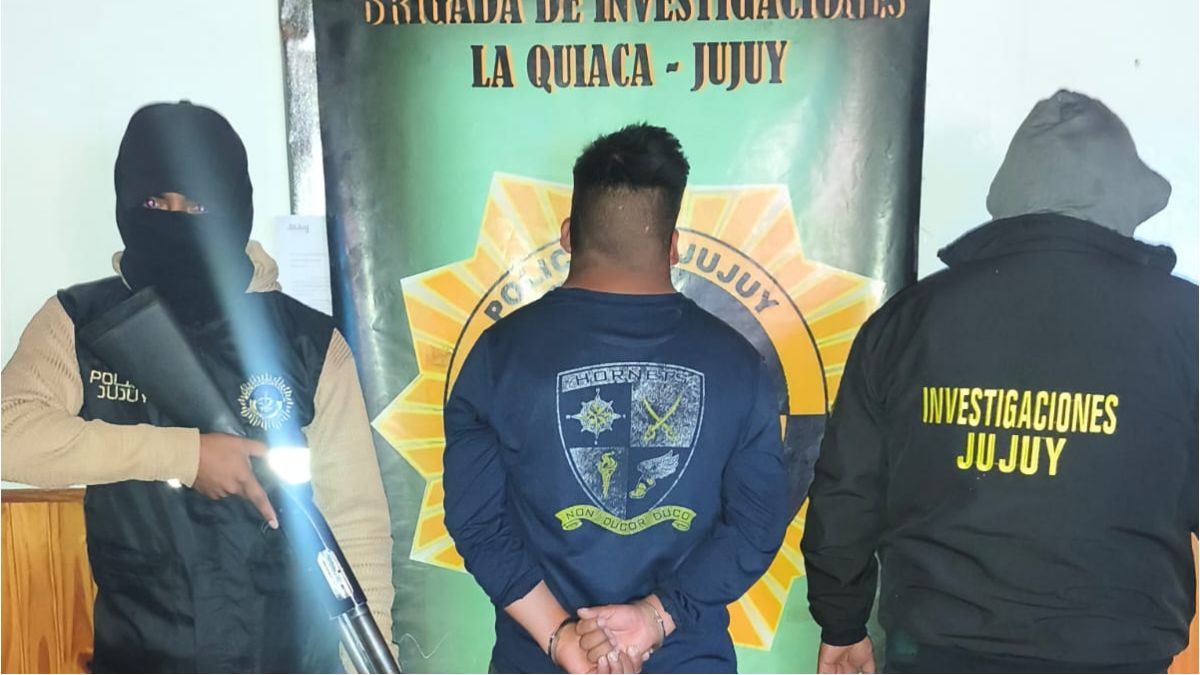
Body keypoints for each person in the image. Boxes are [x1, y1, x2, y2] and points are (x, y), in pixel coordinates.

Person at [801, 89, 1197, 674]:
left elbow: (847, 491)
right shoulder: (1184, 323)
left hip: (937, 650)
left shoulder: (911, 318)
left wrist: (842, 622)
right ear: (1124, 198)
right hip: (1115, 653)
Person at [1, 102, 395, 673]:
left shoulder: (308, 341)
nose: (176, 218)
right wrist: (186, 456)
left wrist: (374, 660)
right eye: (156, 203)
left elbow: (356, 522)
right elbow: (10, 434)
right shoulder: (81, 321)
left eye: (199, 204)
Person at [442, 124, 792, 673]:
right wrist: (656, 617)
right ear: (673, 246)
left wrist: (562, 639)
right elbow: (757, 529)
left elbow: (477, 524)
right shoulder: (740, 366)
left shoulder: (498, 356)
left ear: (567, 235)